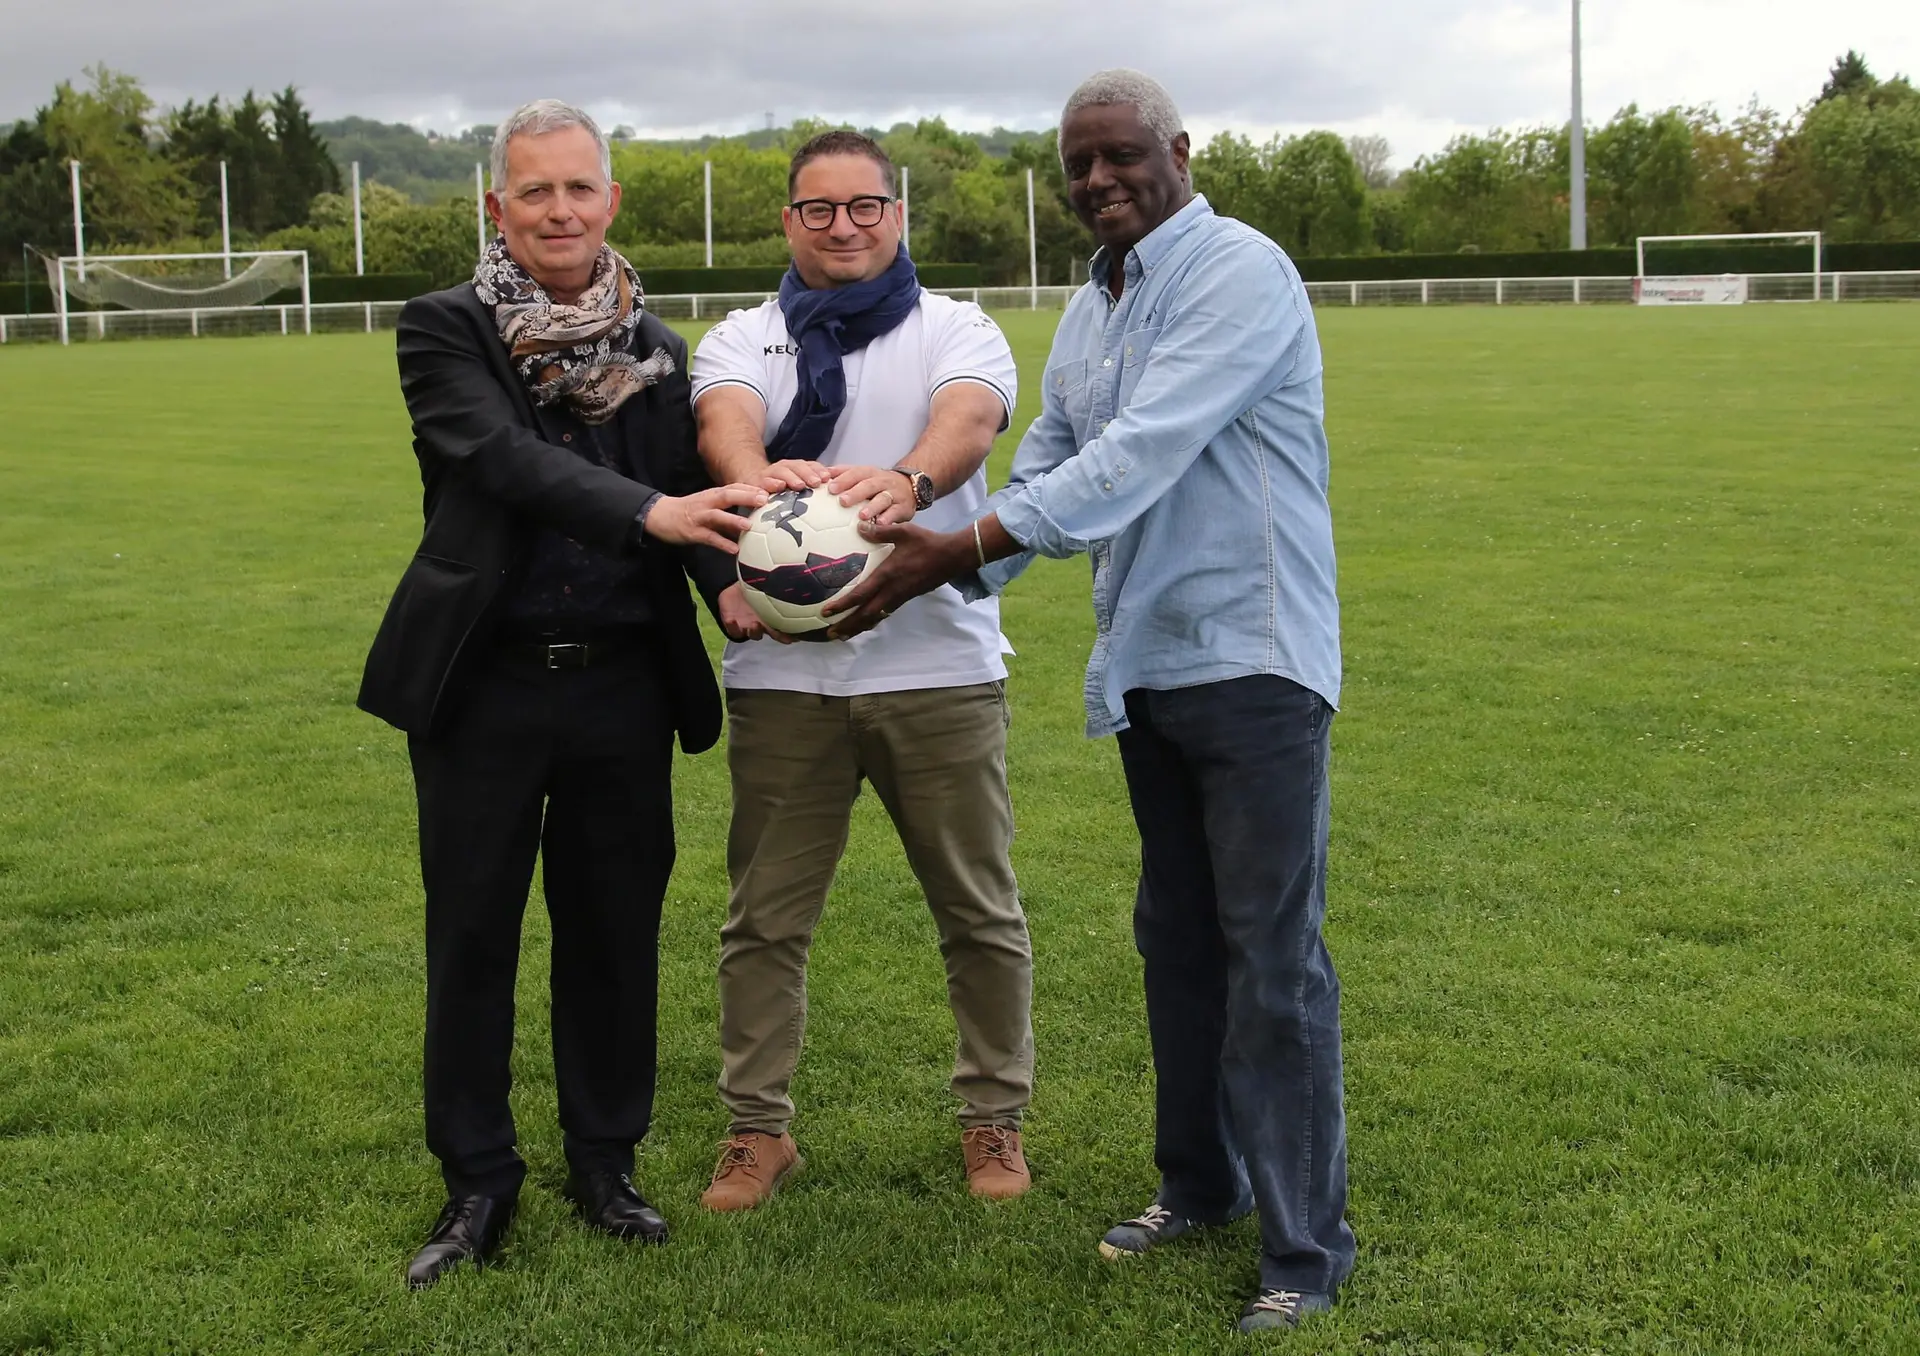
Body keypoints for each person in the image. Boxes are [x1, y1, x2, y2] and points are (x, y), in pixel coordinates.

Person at [825, 71, 1355, 1333]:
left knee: (1271, 964)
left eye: (1122, 156)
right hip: (1152, 662)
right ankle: (1199, 1188)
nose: (1101, 180)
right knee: (1176, 942)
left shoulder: (1236, 271)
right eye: (1080, 165)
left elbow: (1145, 449)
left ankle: (1305, 1251)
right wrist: (924, 561)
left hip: (1257, 658)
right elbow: (1059, 444)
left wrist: (952, 556)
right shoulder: (1092, 304)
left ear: (1178, 149)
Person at [356, 99, 765, 1290]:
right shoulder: (443, 330)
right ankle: (478, 1182)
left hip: (622, 689)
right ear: (498, 207)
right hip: (483, 688)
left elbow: (685, 487)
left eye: (578, 189)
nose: (558, 211)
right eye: (533, 192)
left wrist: (727, 584)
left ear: (610, 202)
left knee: (611, 937)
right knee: (472, 937)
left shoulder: (657, 344)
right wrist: (653, 514)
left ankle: (605, 1163)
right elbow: (498, 457)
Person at [687, 129, 1035, 1210]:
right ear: (788, 222)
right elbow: (721, 420)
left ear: (899, 213)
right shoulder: (745, 335)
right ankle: (758, 1134)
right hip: (788, 685)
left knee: (977, 910)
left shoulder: (956, 327)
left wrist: (906, 483)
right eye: (819, 209)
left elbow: (968, 421)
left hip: (938, 669)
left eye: (866, 206)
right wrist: (762, 487)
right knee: (764, 923)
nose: (844, 225)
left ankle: (993, 1123)